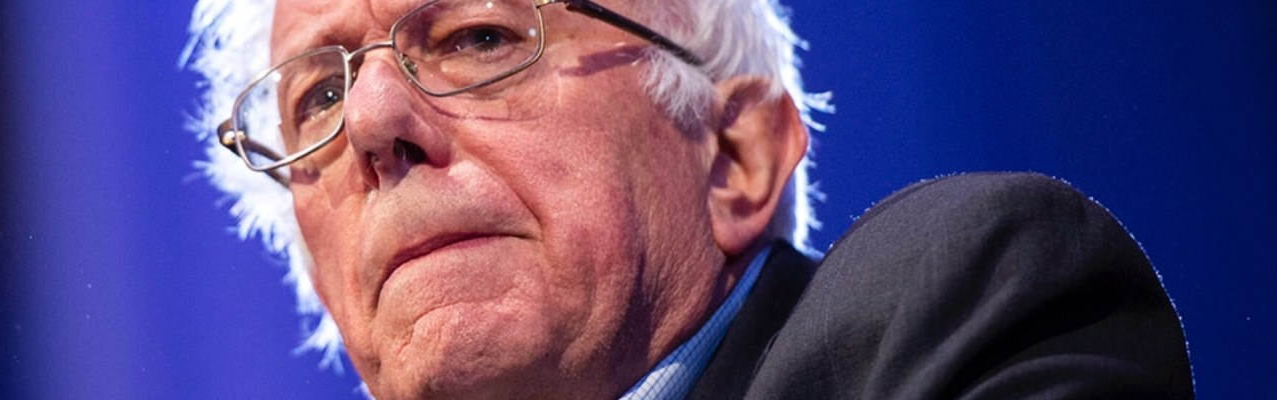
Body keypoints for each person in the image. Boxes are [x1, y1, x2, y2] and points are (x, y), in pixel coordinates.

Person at [182, 0, 1194, 398]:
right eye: (318, 97)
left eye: (478, 38)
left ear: (734, 155)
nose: (369, 121)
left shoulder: (955, 305)